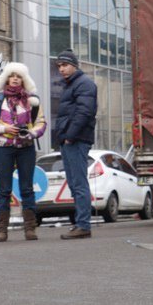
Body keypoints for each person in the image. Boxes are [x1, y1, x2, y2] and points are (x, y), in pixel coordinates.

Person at [0, 62, 47, 242]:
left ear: (24, 80)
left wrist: (32, 132)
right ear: (6, 79)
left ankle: (30, 229)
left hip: (26, 147)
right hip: (4, 148)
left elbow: (41, 123)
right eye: (12, 76)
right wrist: (4, 129)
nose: (15, 79)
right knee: (4, 190)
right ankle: (1, 230)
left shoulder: (33, 102)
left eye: (19, 76)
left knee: (27, 188)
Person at [52, 49, 98, 240]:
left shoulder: (84, 84)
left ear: (75, 65)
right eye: (59, 66)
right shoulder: (71, 85)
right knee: (73, 183)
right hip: (68, 139)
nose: (61, 69)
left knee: (79, 183)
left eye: (65, 65)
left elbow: (84, 112)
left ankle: (83, 225)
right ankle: (80, 223)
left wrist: (70, 136)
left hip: (76, 139)